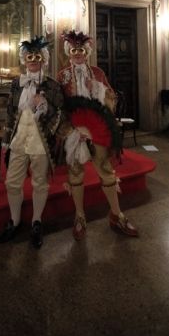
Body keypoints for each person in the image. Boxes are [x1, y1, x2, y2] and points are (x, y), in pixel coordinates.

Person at [57, 30, 139, 240]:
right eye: (74, 50)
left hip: (97, 131)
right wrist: (72, 129)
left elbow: (111, 99)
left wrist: (98, 89)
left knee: (106, 170)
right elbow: (59, 106)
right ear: (69, 52)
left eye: (81, 50)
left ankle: (116, 214)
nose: (78, 54)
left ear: (87, 52)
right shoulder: (63, 76)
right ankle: (80, 216)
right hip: (74, 132)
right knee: (76, 174)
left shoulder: (97, 72)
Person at [0, 36, 64, 249]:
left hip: (40, 141)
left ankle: (36, 221)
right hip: (19, 139)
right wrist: (6, 139)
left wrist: (45, 106)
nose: (33, 61)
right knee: (12, 182)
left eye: (37, 57)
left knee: (40, 183)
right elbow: (10, 113)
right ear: (24, 59)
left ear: (43, 59)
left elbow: (60, 113)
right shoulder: (17, 83)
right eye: (29, 57)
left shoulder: (52, 85)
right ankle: (14, 220)